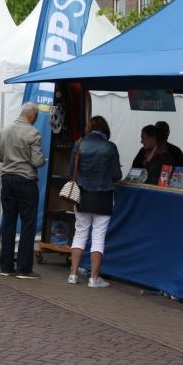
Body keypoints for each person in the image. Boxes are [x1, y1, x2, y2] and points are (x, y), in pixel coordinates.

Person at [66, 116, 122, 288]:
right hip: (103, 196)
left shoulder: (79, 144)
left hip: (82, 195)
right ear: (105, 129)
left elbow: (70, 170)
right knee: (98, 236)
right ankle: (94, 278)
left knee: (80, 232)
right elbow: (116, 176)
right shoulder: (110, 147)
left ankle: (73, 274)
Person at [0, 102, 46, 279]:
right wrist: (43, 160)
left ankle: (6, 266)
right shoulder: (33, 133)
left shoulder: (3, 131)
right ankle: (24, 268)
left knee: (8, 222)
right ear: (32, 115)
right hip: (25, 179)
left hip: (7, 179)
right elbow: (37, 161)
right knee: (28, 223)